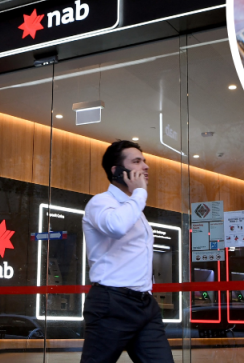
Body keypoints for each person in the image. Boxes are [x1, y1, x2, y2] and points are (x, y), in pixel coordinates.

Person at [80, 141, 172, 363]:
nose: (145, 166)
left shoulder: (134, 208)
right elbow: (116, 226)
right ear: (117, 171)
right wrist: (139, 192)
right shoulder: (101, 202)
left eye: (144, 160)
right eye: (137, 161)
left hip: (145, 305)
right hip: (112, 303)